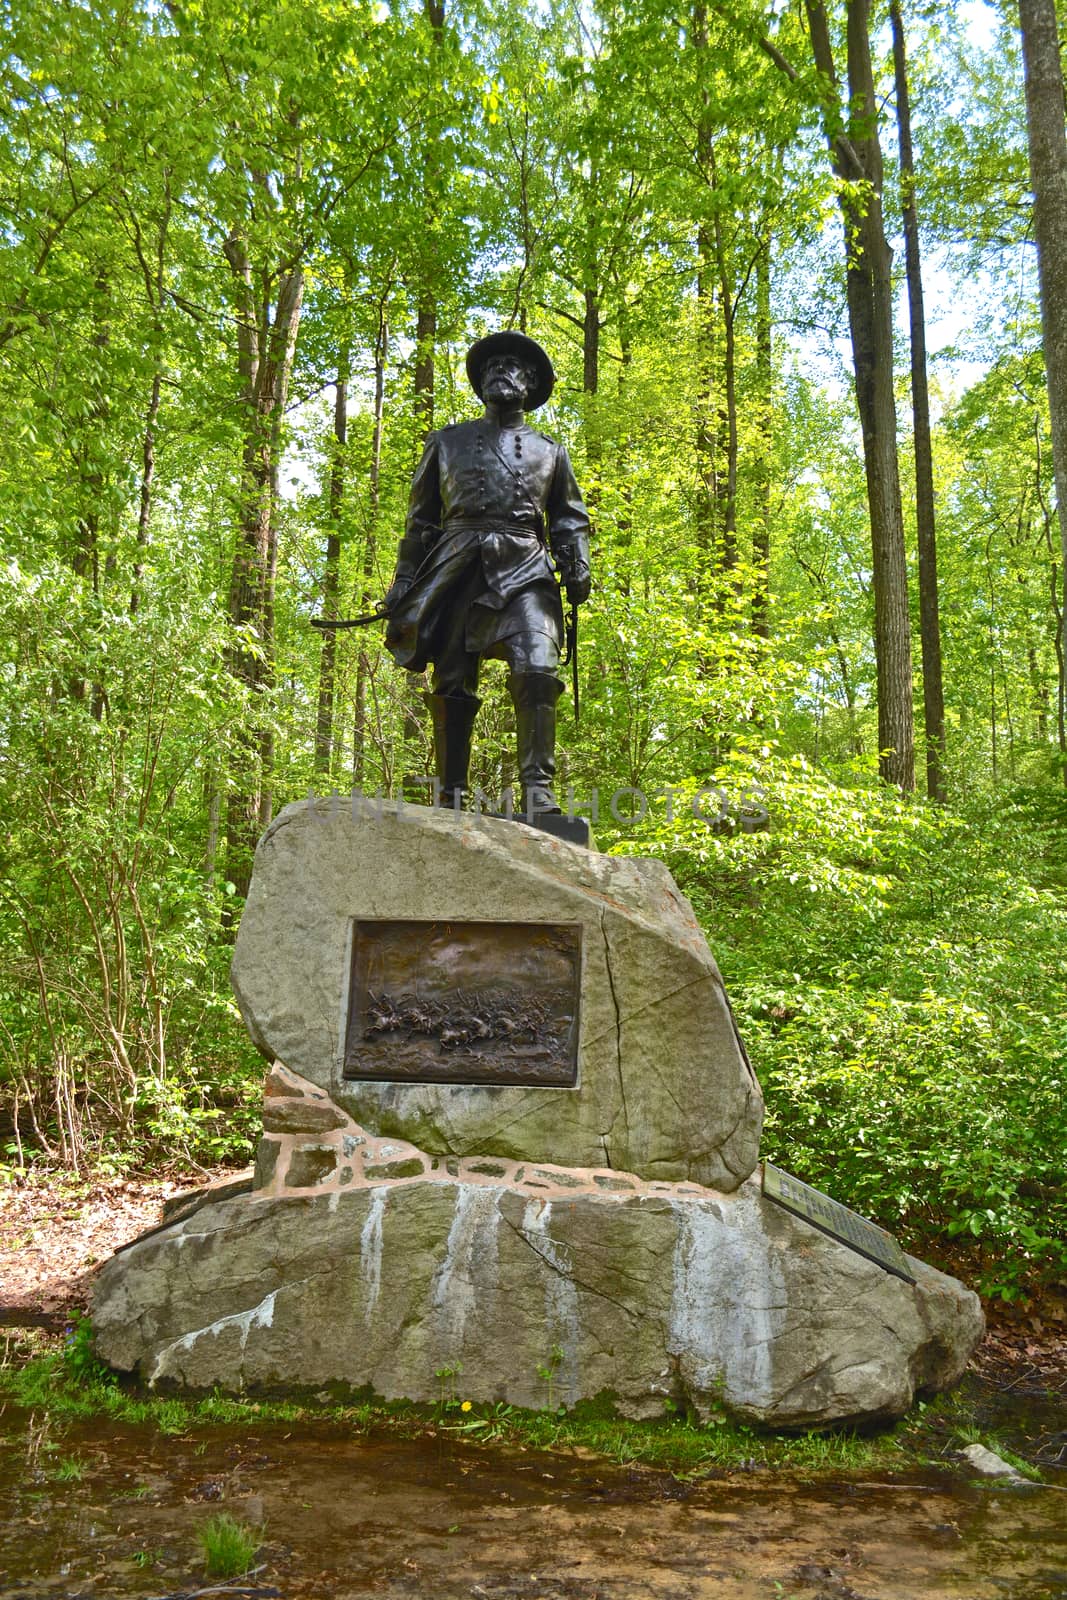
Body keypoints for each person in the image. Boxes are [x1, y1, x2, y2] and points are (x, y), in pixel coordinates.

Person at [383, 331, 591, 814]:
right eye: (491, 365)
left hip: (525, 565)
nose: (500, 370)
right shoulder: (446, 442)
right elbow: (419, 520)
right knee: (452, 681)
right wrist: (403, 580)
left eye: (512, 365)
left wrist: (577, 562)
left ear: (532, 381)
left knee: (538, 667)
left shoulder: (551, 452)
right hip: (456, 562)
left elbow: (569, 516)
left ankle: (538, 793)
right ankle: (450, 794)